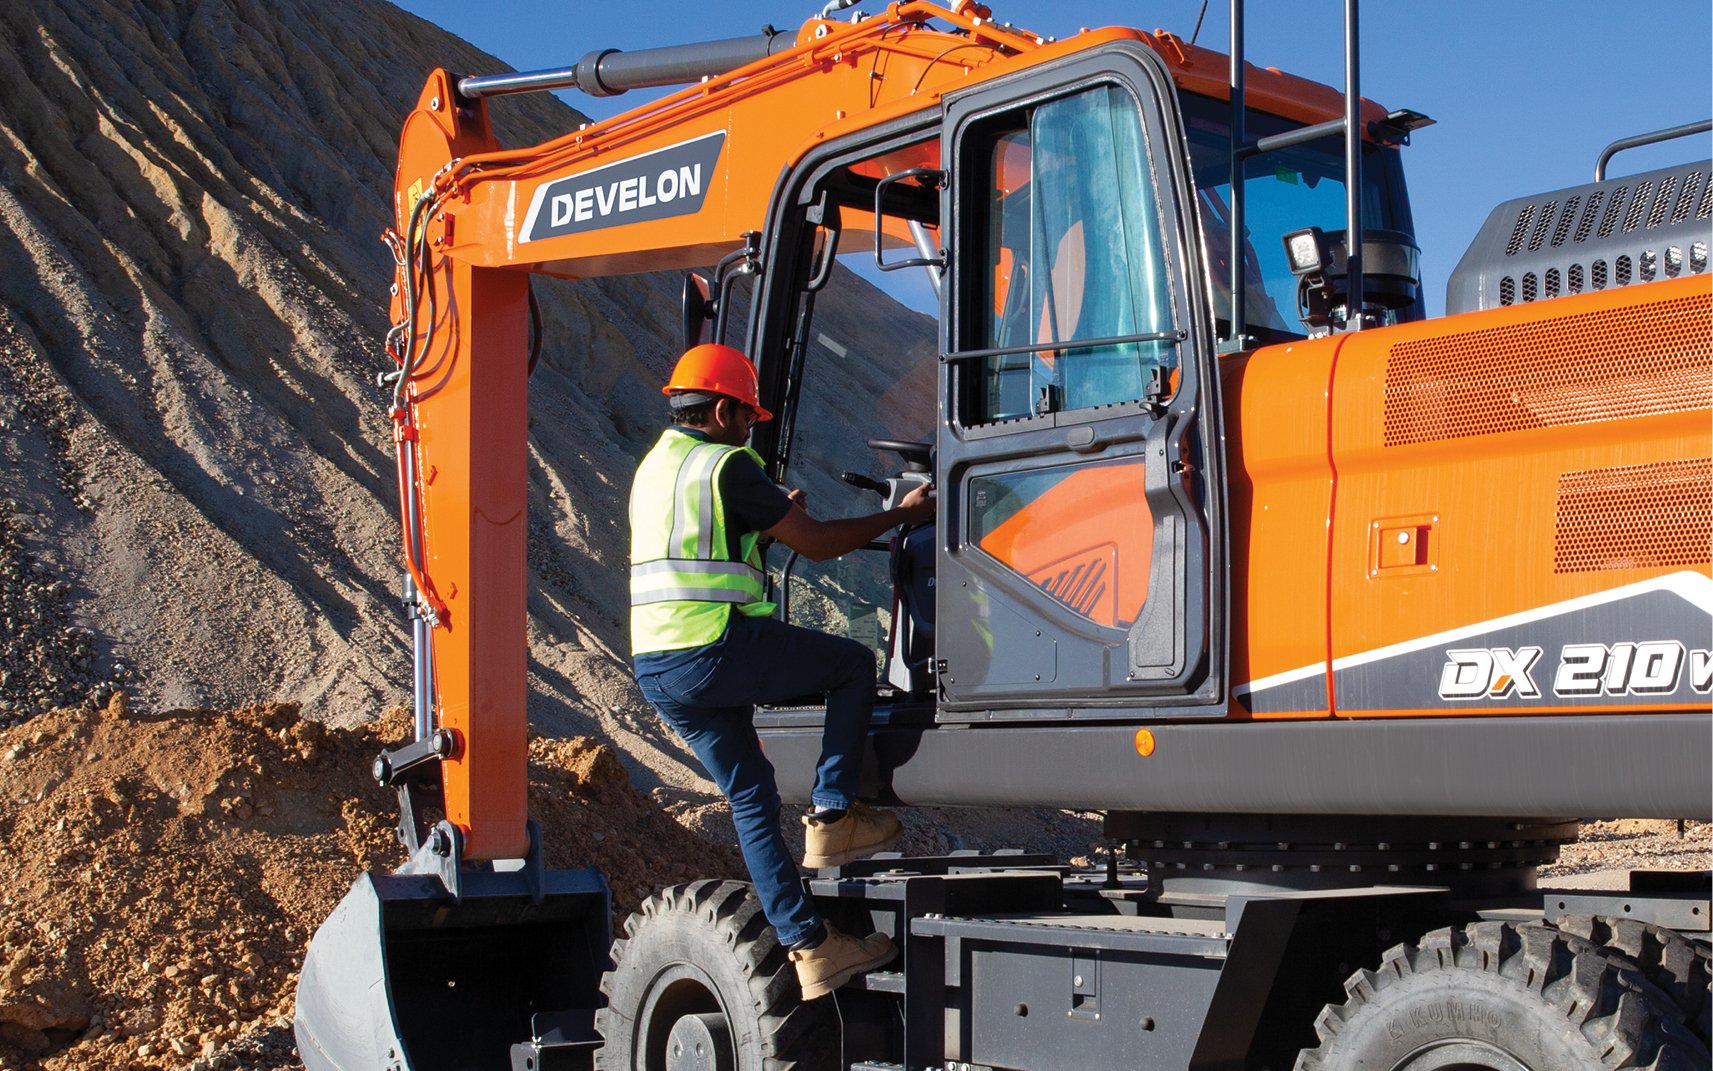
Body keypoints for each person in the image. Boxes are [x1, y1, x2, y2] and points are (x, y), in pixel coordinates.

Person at [628, 342, 936, 1000]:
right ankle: (832, 817)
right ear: (718, 409)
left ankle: (810, 946)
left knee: (750, 797)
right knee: (851, 665)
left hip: (658, 666)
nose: (751, 430)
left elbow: (696, 548)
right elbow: (820, 543)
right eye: (747, 418)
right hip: (711, 648)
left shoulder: (659, 466)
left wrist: (763, 523)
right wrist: (903, 516)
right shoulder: (726, 463)